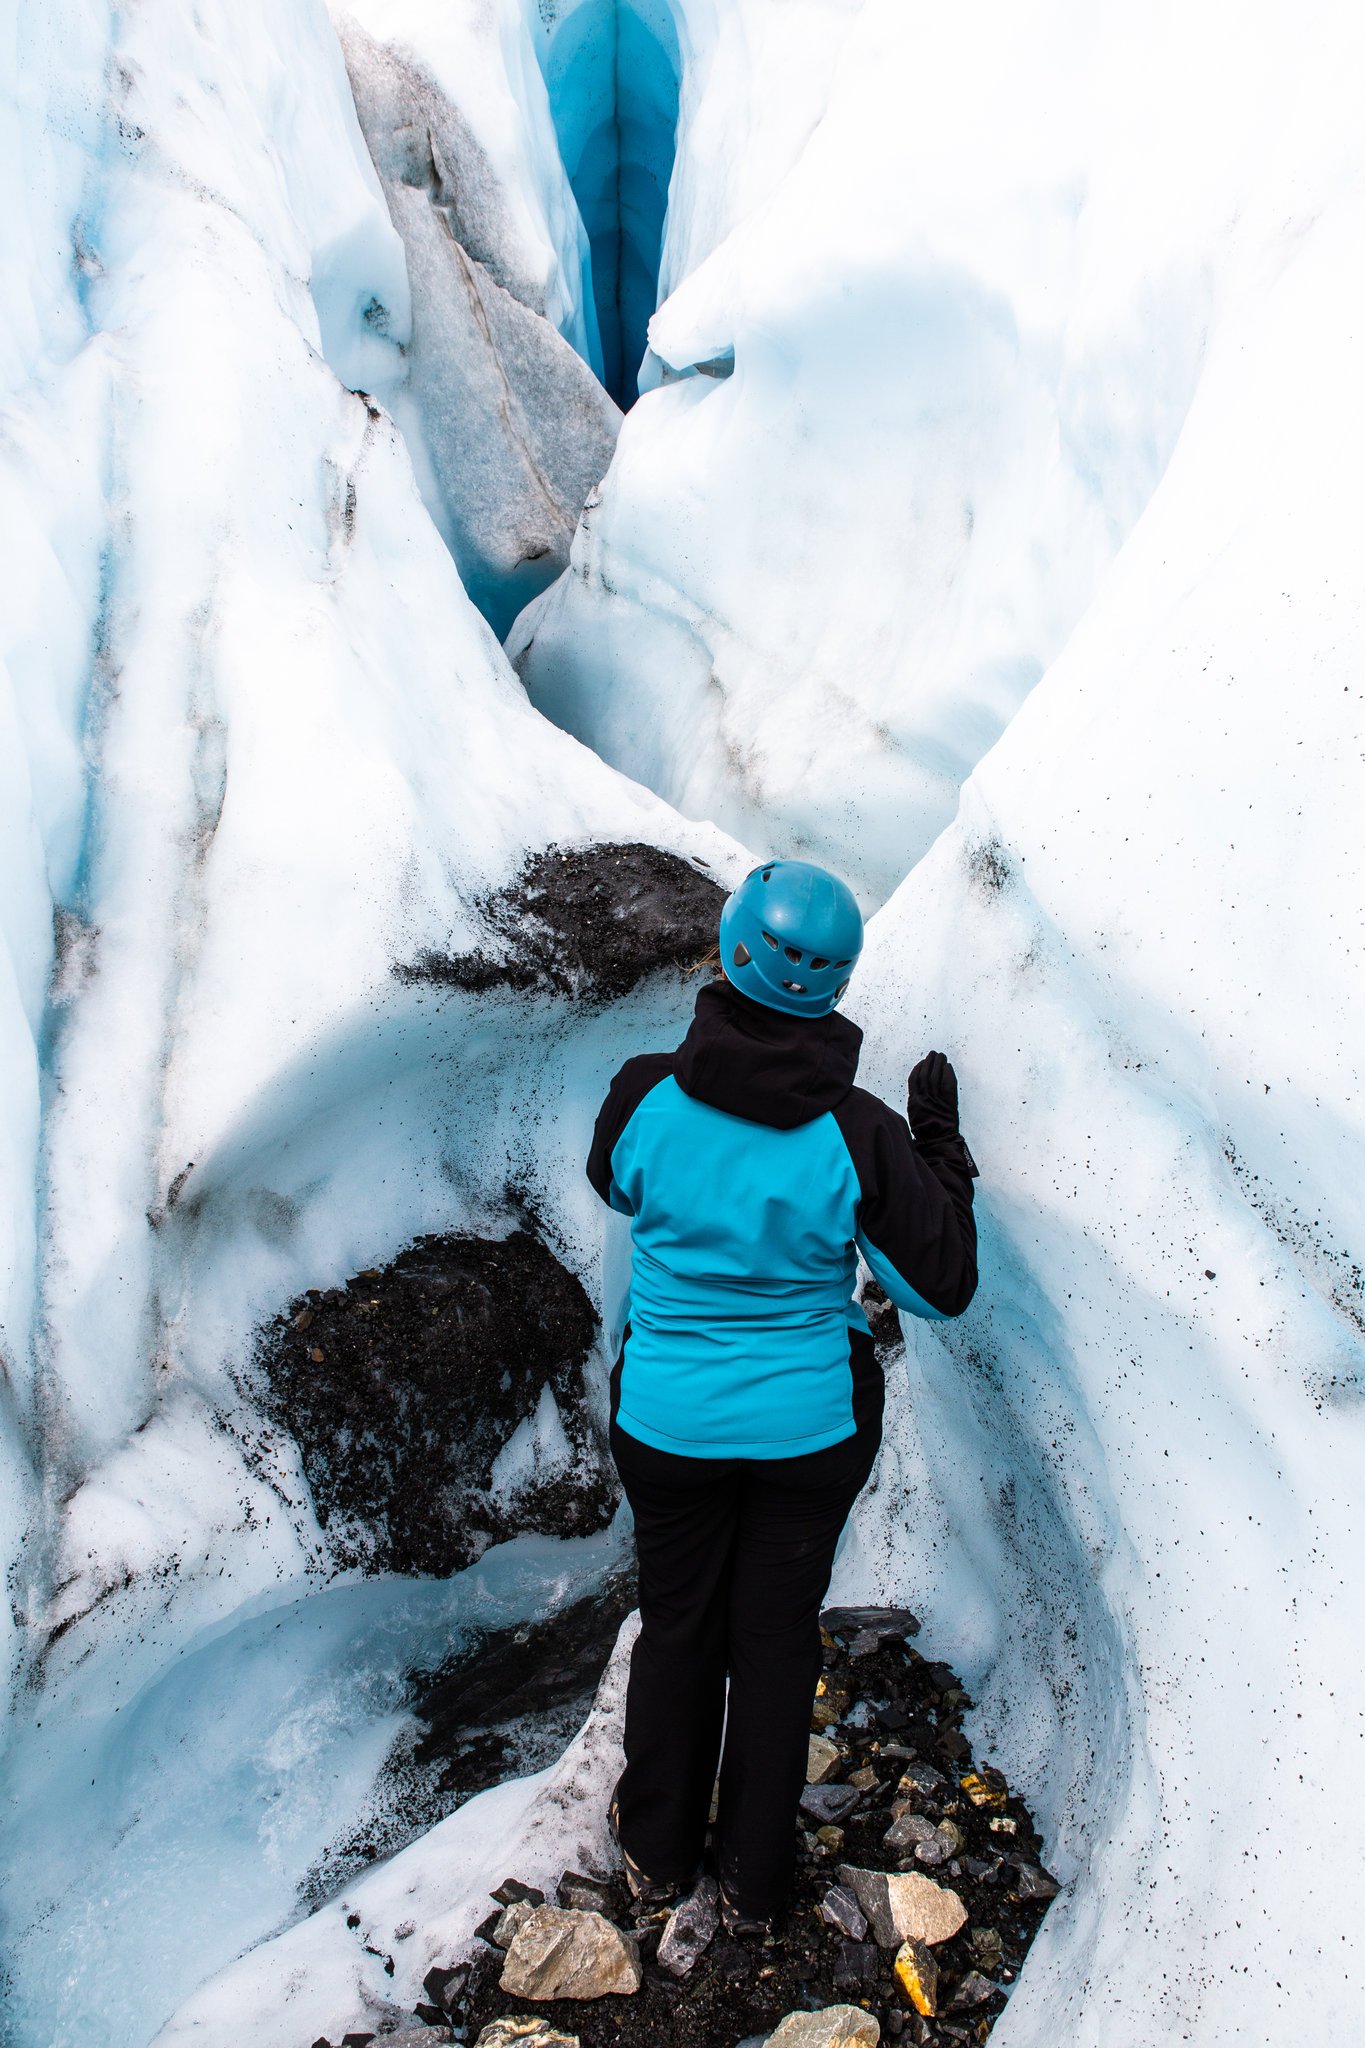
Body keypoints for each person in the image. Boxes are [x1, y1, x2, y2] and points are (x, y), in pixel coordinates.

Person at [586, 857, 979, 1933]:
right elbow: (937, 1283)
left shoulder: (641, 1096)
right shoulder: (857, 1132)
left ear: (729, 951)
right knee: (774, 1637)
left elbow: (616, 1183)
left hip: (667, 1420)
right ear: (836, 987)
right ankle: (756, 1879)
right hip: (807, 1431)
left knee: (678, 1628)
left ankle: (656, 1851)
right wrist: (936, 1143)